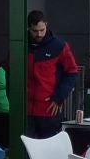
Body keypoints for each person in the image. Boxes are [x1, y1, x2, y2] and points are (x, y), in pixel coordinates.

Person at [26, 11, 80, 139]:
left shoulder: (59, 46)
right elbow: (9, 71)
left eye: (41, 30)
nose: (39, 34)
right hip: (25, 109)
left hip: (48, 108)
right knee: (26, 149)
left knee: (47, 147)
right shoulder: (20, 44)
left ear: (46, 25)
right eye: (35, 31)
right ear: (28, 28)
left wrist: (58, 97)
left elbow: (72, 72)